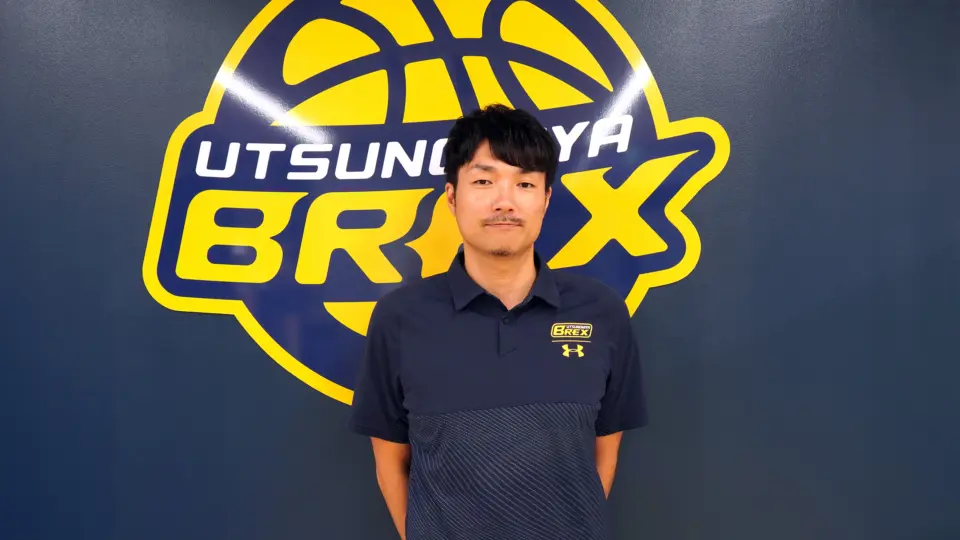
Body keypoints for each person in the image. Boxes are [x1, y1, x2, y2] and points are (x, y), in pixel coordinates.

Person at [348, 104, 647, 540]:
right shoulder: (399, 318)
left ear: (545, 199)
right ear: (452, 197)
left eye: (524, 183)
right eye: (484, 181)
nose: (504, 202)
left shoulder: (600, 312)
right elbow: (390, 461)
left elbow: (605, 449)